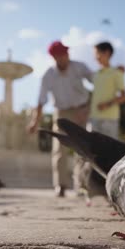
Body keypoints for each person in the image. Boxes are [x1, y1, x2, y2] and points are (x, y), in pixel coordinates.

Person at [27, 40, 92, 197]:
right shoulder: (48, 76)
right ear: (55, 57)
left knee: (82, 148)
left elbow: (98, 82)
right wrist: (35, 122)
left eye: (66, 52)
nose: (65, 56)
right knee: (59, 149)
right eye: (61, 54)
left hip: (81, 110)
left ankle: (81, 185)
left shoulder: (80, 67)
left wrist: (88, 108)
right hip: (61, 112)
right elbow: (41, 101)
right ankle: (60, 185)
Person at [88, 41, 125, 139]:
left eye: (97, 54)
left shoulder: (117, 73)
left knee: (109, 150)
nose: (95, 57)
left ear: (107, 53)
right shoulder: (96, 74)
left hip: (110, 119)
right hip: (94, 118)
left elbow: (124, 97)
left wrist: (107, 104)